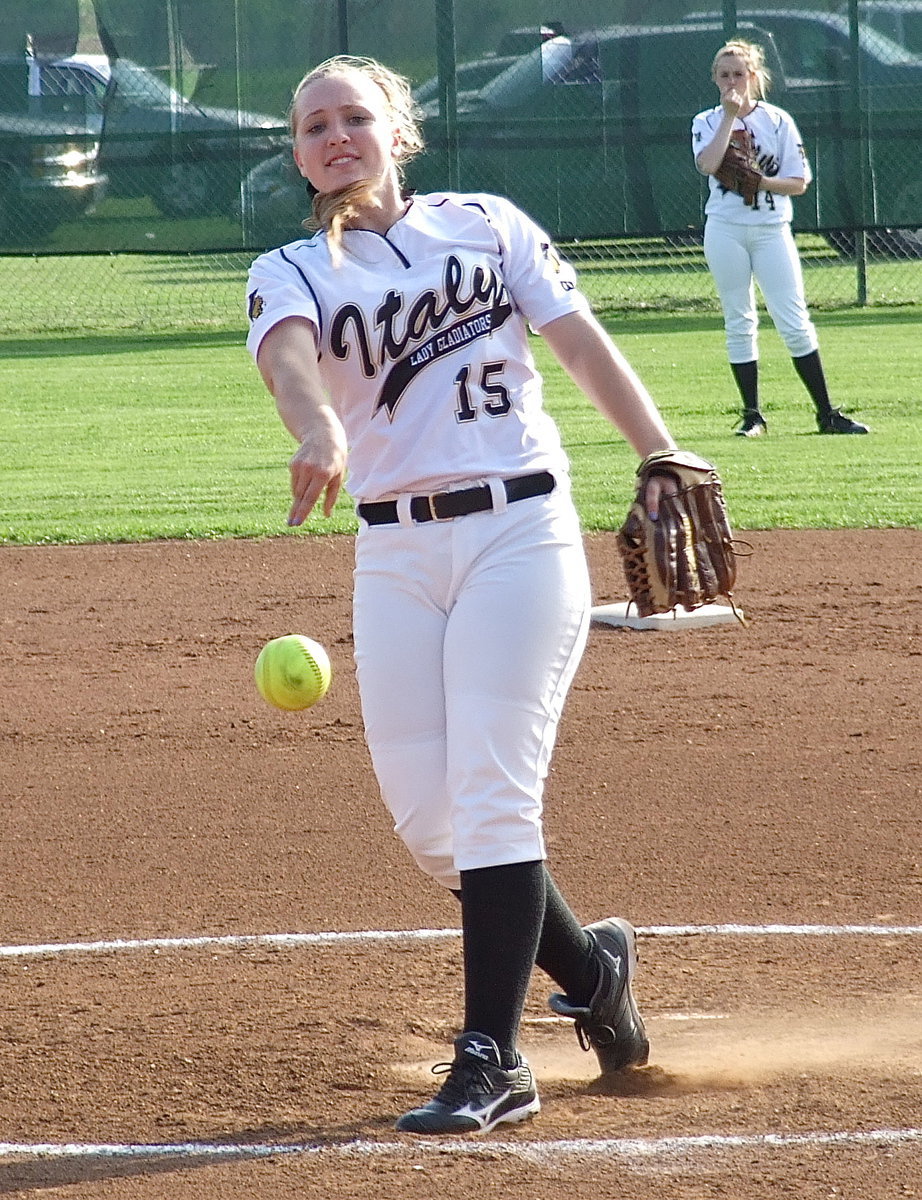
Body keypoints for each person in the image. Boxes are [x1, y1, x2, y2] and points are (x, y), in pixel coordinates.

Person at [246, 54, 683, 1136]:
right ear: (298, 153)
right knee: (431, 823)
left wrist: (662, 452)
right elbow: (291, 363)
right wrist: (319, 428)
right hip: (394, 555)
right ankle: (591, 970)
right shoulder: (289, 268)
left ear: (402, 130)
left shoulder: (486, 224)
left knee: (493, 797)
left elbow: (579, 344)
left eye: (355, 116)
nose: (335, 136)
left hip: (518, 533)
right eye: (314, 126)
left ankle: (493, 1059)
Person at [692, 39, 869, 437]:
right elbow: (707, 164)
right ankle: (753, 415)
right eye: (724, 75)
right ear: (715, 79)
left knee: (793, 319)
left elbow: (799, 181)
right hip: (725, 229)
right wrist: (728, 119)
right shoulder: (705, 121)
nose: (732, 81)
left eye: (739, 73)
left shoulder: (777, 120)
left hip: (772, 231)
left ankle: (827, 414)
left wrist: (761, 182)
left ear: (753, 77)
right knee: (739, 319)